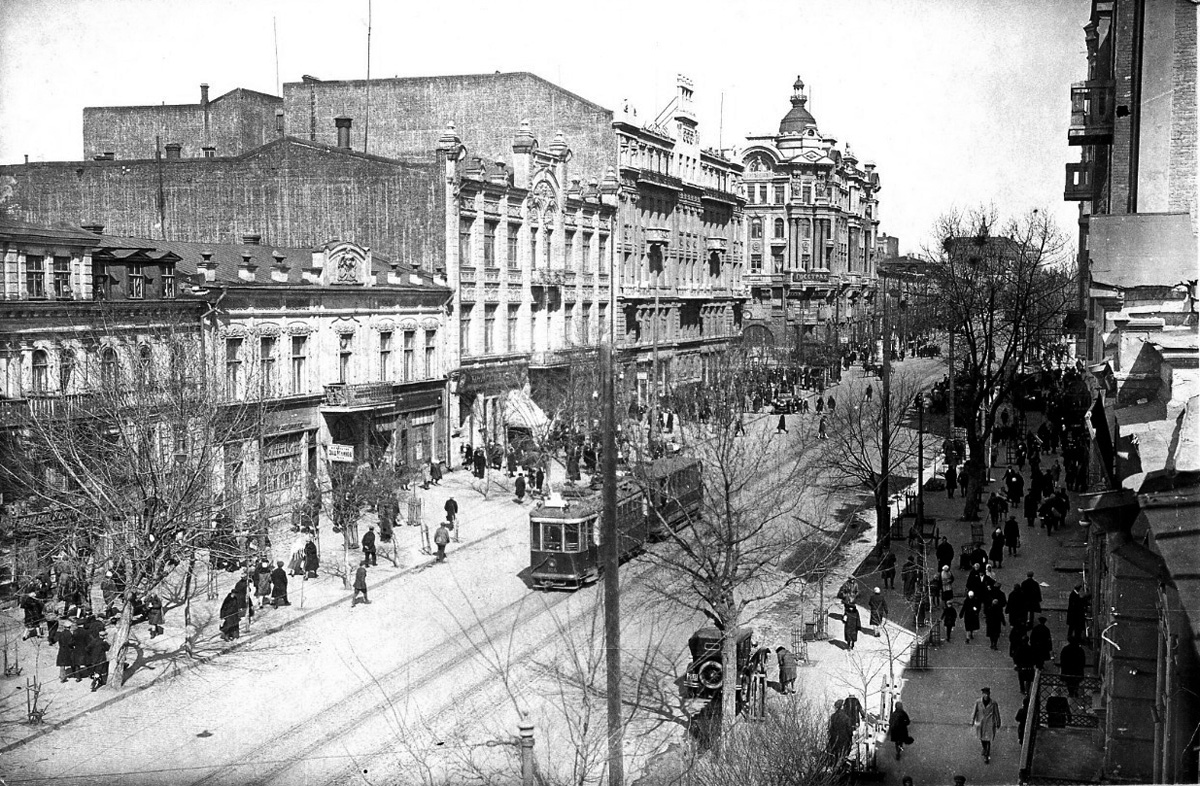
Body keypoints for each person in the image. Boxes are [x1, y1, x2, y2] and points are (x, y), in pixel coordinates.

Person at [971, 687, 1001, 763]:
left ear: (989, 694)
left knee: (988, 739)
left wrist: (998, 722)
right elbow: (974, 711)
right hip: (980, 723)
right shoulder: (978, 702)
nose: (986, 696)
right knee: (981, 738)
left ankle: (986, 755)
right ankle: (984, 749)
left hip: (989, 723)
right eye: (985, 694)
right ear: (982, 694)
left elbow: (997, 713)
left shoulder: (993, 703)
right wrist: (972, 720)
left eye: (987, 694)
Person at [827, 699, 853, 764]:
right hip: (844, 742)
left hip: (834, 742)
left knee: (835, 759)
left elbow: (830, 729)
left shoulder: (832, 717)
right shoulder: (846, 717)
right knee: (843, 758)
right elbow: (850, 731)